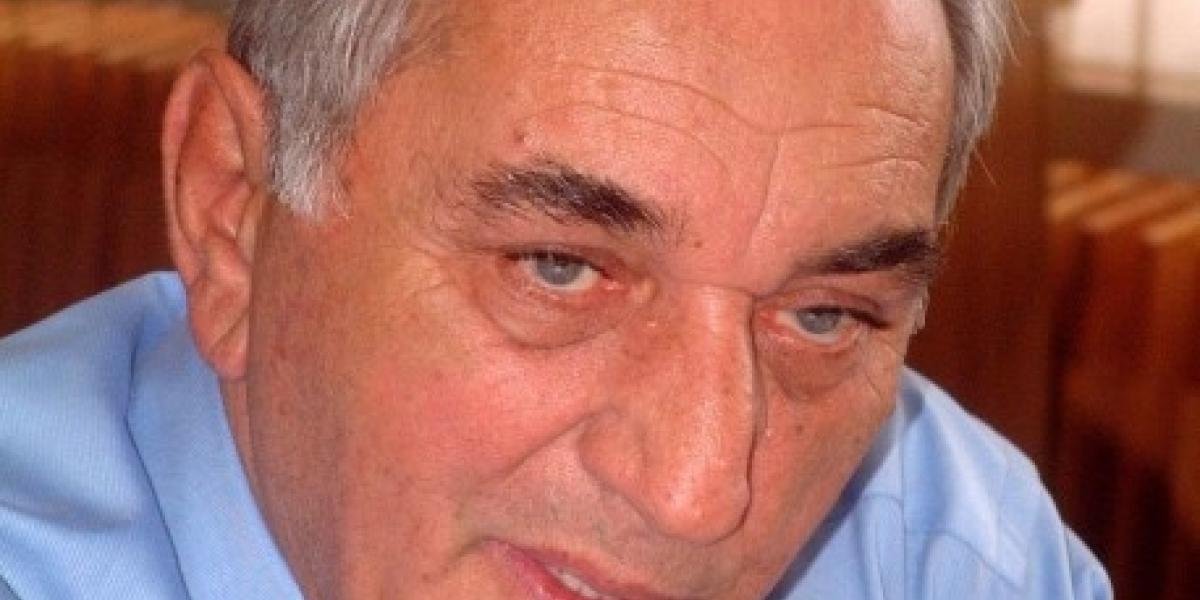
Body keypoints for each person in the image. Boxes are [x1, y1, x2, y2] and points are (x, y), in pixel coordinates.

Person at [0, 0, 1111, 598]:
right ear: (232, 210)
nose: (696, 494)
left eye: (822, 316)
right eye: (559, 268)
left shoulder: (949, 554)